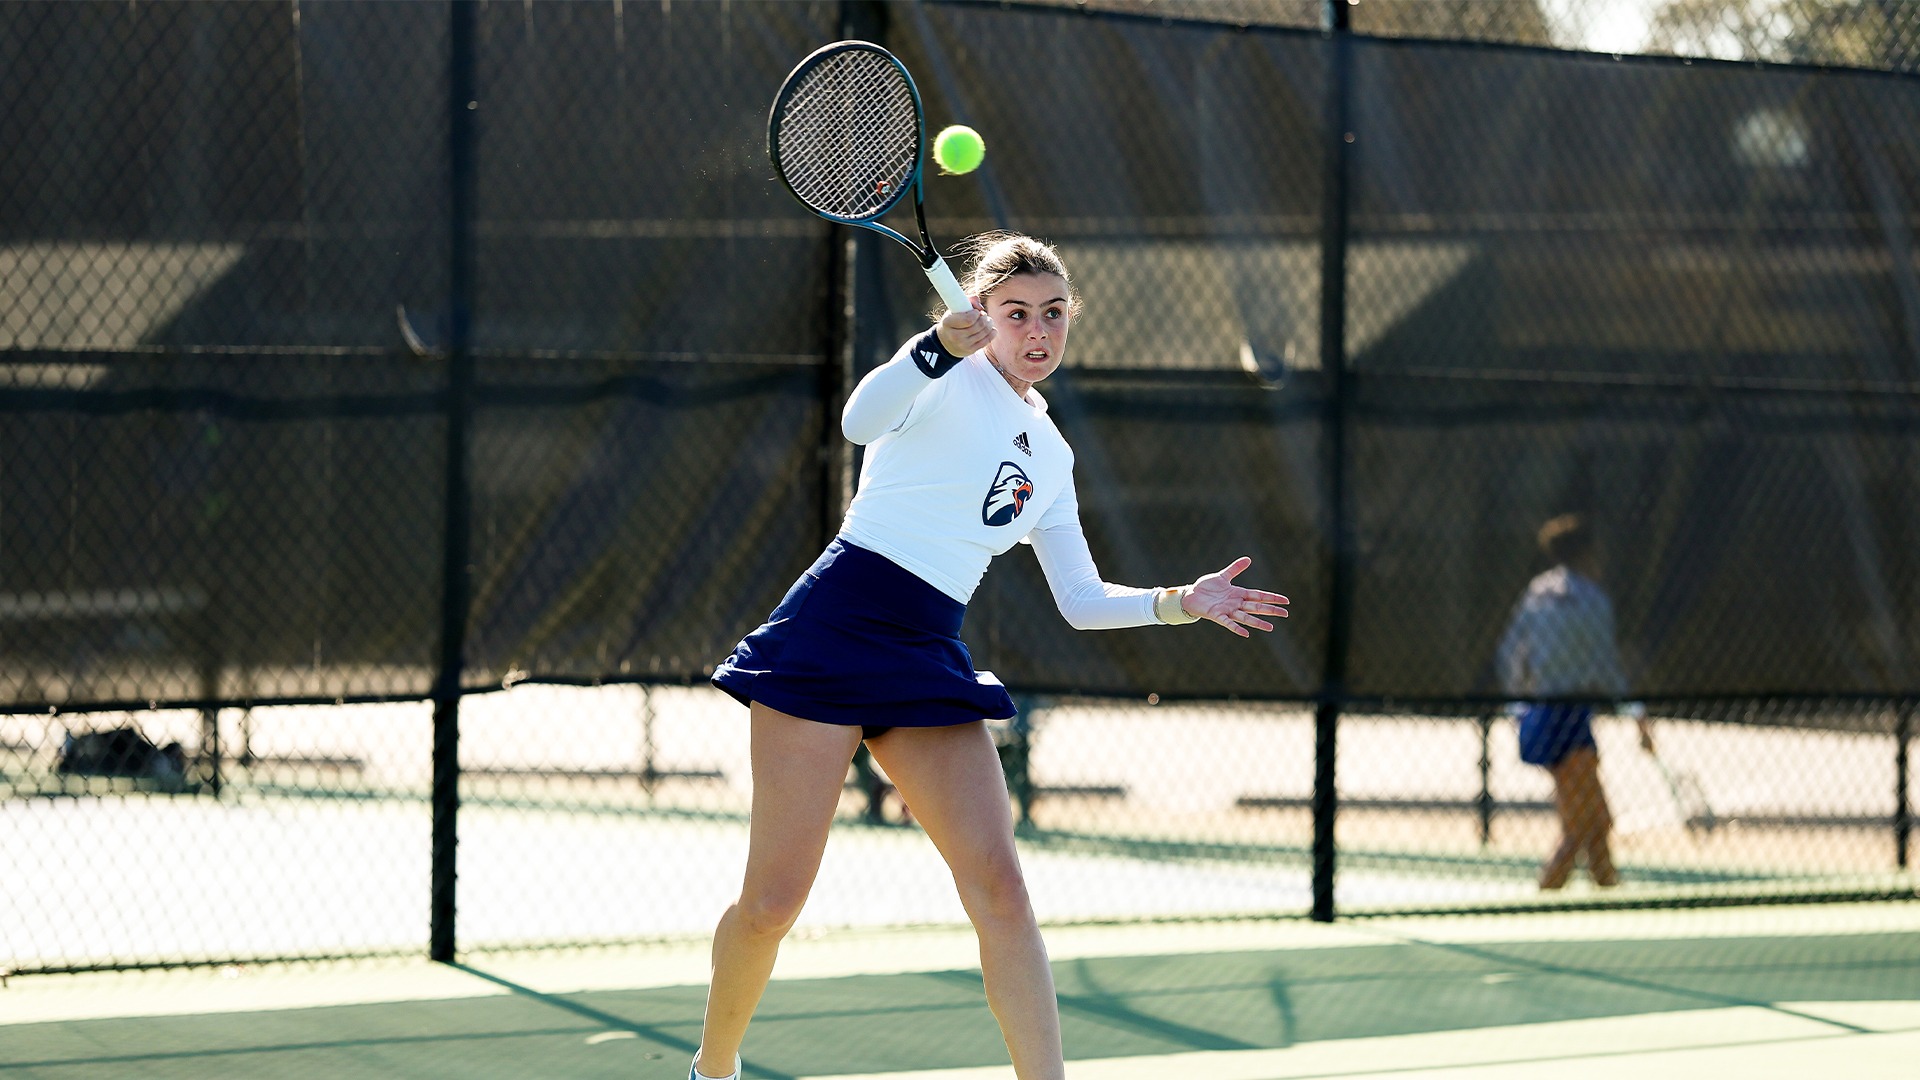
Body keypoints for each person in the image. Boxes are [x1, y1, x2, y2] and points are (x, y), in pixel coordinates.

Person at [692, 233, 1289, 1080]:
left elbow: (1081, 602)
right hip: (830, 631)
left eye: (1054, 314)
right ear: (984, 317)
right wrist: (934, 347)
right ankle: (714, 1069)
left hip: (925, 650)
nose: (1038, 331)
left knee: (1002, 891)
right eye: (1017, 314)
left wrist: (1179, 603)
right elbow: (857, 420)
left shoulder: (1053, 455)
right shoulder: (941, 375)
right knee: (773, 905)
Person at [1496, 513, 1653, 890]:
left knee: (1597, 820)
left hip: (1543, 714)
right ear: (1585, 552)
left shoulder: (1536, 593)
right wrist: (1638, 716)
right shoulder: (1593, 600)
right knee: (1580, 825)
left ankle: (1609, 890)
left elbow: (1510, 655)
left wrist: (1518, 708)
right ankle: (1543, 896)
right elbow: (1607, 668)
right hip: (1567, 716)